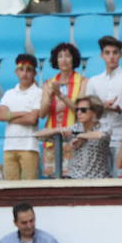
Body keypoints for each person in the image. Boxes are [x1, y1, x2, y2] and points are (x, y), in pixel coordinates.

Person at [85, 36, 122, 177]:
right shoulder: (93, 81)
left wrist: (118, 109)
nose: (111, 57)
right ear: (102, 55)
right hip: (98, 137)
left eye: (115, 52)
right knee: (98, 178)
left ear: (121, 54)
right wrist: (102, 107)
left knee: (119, 177)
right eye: (107, 53)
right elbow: (87, 112)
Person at [35, 94, 111, 179]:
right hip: (75, 178)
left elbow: (102, 135)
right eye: (77, 109)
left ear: (95, 112)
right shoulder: (75, 127)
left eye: (83, 110)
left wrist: (80, 136)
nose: (79, 112)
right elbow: (38, 135)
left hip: (97, 178)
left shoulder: (104, 126)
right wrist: (58, 130)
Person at [39, 42, 86, 177]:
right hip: (52, 140)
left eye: (67, 56)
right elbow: (42, 114)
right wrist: (48, 96)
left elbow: (81, 111)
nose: (64, 60)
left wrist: (61, 95)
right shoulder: (49, 83)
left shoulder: (83, 81)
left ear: (74, 59)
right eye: (60, 56)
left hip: (74, 139)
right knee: (53, 180)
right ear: (56, 60)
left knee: (73, 179)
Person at [0, 53, 42, 180]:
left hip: (29, 147)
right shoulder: (9, 93)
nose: (24, 73)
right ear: (16, 72)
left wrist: (9, 116)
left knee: (28, 188)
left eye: (29, 70)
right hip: (9, 146)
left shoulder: (39, 93)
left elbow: (32, 119)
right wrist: (21, 113)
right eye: (21, 69)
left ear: (34, 73)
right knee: (10, 188)